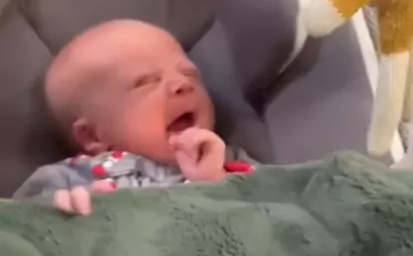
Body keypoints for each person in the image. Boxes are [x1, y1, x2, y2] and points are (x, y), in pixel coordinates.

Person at [14, 20, 253, 215]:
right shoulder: (68, 178)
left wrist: (217, 182)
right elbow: (17, 228)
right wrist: (63, 215)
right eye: (145, 82)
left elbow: (267, 213)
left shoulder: (229, 160)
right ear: (93, 135)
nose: (182, 84)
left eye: (189, 73)